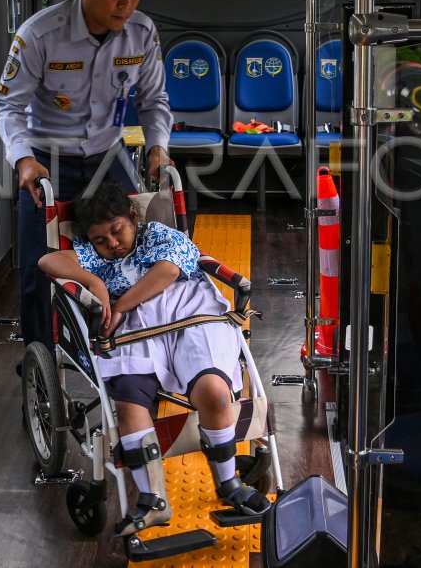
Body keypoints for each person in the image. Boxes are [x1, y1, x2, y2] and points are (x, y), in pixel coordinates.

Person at [38, 181, 271, 536]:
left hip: (190, 316)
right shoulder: (93, 256)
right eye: (100, 240)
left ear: (134, 216)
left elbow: (168, 271)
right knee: (129, 406)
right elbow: (47, 259)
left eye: (117, 232)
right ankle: (152, 500)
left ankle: (229, 484)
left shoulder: (158, 234)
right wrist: (96, 284)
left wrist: (117, 304)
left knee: (216, 393)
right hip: (135, 330)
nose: (112, 245)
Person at [0, 0, 173, 347]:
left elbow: (154, 100)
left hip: (107, 155)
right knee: (40, 264)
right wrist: (23, 160)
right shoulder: (40, 34)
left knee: (137, 245)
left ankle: (131, 343)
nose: (125, 4)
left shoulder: (142, 34)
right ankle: (41, 364)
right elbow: (8, 107)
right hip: (46, 160)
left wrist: (158, 147)